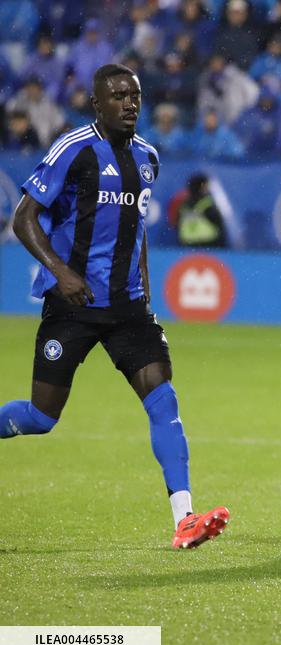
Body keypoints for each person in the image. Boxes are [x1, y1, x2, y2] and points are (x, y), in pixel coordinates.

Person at [0, 64, 229, 550]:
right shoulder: (74, 149)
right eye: (119, 96)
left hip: (127, 308)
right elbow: (24, 219)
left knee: (163, 400)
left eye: (136, 95)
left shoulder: (148, 157)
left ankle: (184, 518)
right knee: (42, 417)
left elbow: (135, 225)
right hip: (73, 305)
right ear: (97, 103)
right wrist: (62, 273)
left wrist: (142, 283)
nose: (130, 103)